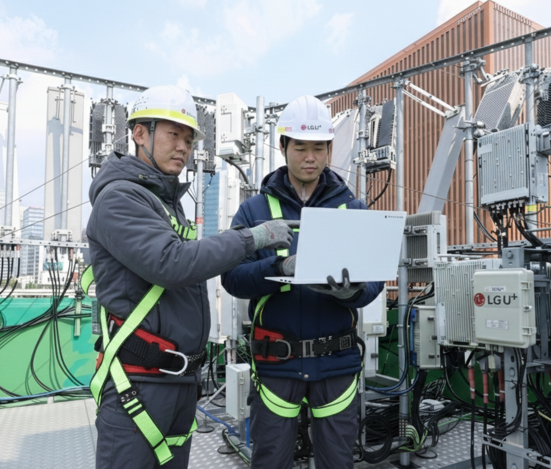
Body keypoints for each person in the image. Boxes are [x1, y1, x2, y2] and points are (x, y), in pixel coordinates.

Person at [85, 85, 297, 468]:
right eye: (173, 135)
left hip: (176, 382)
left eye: (188, 139)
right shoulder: (120, 198)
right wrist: (253, 238)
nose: (183, 147)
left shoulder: (164, 202)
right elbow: (172, 264)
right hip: (138, 382)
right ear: (139, 133)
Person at [221, 95, 384, 469]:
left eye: (318, 148)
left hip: (336, 363)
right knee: (270, 461)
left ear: (329, 150)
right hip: (277, 364)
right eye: (300, 148)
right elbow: (232, 278)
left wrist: (354, 292)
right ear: (283, 147)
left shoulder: (353, 209)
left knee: (338, 462)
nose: (310, 157)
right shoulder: (254, 211)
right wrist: (280, 267)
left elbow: (373, 282)